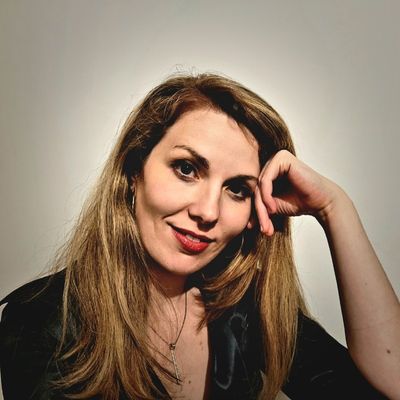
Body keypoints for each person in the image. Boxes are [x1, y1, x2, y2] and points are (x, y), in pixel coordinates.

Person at [0, 73, 398, 400]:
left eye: (237, 189)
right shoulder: (41, 320)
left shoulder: (245, 313)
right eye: (187, 169)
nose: (208, 212)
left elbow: (390, 383)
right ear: (135, 171)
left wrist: (334, 208)